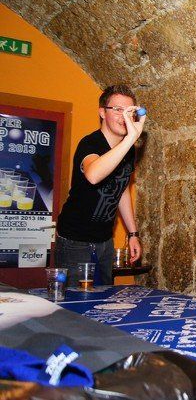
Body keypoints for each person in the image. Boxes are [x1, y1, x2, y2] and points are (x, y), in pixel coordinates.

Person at [55, 85, 146, 286]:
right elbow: (93, 175)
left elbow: (121, 189)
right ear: (102, 112)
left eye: (129, 111)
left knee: (104, 299)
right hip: (75, 240)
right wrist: (130, 139)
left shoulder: (128, 150)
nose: (124, 116)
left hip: (105, 240)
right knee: (75, 301)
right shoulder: (90, 143)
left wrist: (133, 234)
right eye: (118, 109)